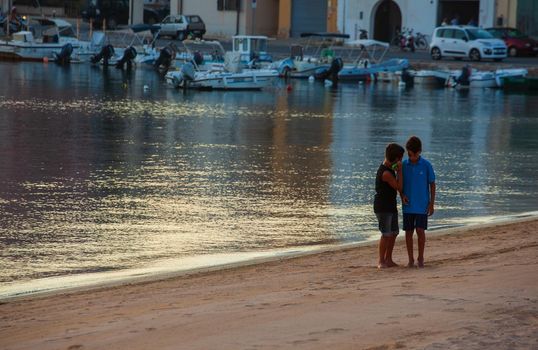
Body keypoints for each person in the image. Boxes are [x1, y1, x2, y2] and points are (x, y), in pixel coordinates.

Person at [402, 136, 436, 268]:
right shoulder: (404, 165)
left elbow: (432, 184)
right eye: (410, 155)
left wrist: (432, 204)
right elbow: (399, 183)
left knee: (420, 230)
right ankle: (410, 259)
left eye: (415, 155)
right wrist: (402, 195)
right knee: (408, 232)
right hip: (408, 206)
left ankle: (421, 257)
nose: (413, 157)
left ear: (420, 152)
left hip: (422, 205)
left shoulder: (426, 165)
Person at [374, 143, 405, 269]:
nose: (401, 161)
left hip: (391, 205)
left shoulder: (390, 168)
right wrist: (400, 171)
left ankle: (389, 258)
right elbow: (399, 186)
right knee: (386, 234)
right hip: (382, 207)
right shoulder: (386, 173)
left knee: (394, 232)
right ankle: (381, 260)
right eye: (400, 158)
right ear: (396, 159)